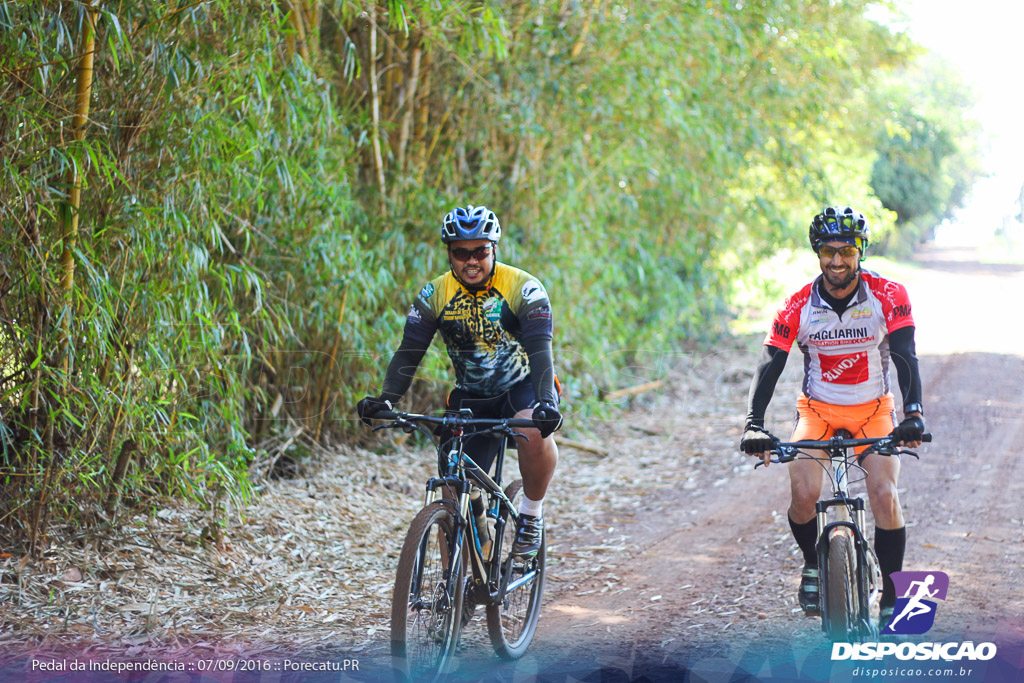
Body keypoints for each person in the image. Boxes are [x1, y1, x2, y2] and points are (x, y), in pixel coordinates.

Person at [739, 206, 926, 629]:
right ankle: (812, 564)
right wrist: (754, 422)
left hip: (874, 411)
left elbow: (904, 355)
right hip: (818, 411)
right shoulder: (797, 305)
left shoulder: (888, 294)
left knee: (884, 494)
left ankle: (893, 596)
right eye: (828, 251)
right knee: (804, 495)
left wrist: (912, 412)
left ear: (861, 250)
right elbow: (770, 364)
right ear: (816, 252)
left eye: (847, 250)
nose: (837, 260)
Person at [357, 205, 562, 558]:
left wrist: (548, 401)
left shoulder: (523, 288)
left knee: (533, 430)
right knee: (454, 483)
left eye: (480, 251)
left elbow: (541, 350)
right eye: (460, 252)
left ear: (494, 248)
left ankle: (531, 515)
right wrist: (387, 398)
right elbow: (409, 353)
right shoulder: (434, 294)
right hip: (472, 394)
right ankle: (468, 567)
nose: (471, 260)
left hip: (523, 386)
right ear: (449, 253)